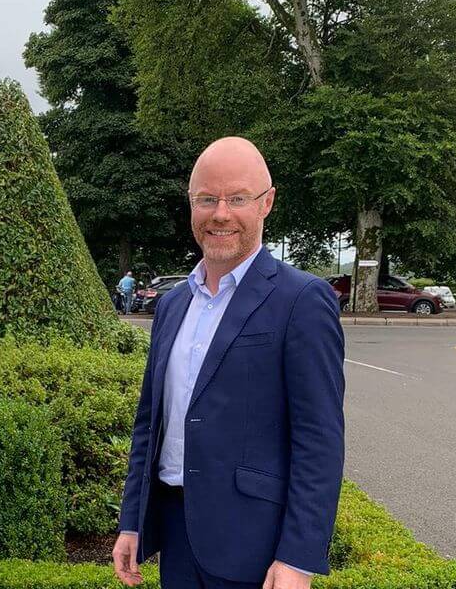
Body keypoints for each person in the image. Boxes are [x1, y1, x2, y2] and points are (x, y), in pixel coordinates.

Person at [112, 137, 345, 589]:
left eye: (237, 198)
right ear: (191, 205)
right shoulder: (172, 305)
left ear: (266, 203)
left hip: (255, 546)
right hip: (177, 539)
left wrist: (298, 558)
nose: (220, 213)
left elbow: (319, 439)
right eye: (206, 199)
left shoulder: (301, 300)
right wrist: (133, 522)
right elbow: (151, 424)